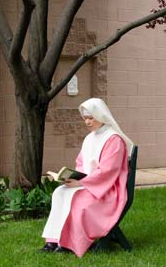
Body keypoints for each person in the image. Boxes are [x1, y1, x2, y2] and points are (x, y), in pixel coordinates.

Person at [40, 98, 134, 257]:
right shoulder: (90, 138)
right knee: (60, 193)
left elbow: (108, 171)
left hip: (108, 190)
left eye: (91, 118)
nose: (88, 122)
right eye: (85, 119)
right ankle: (53, 240)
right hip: (89, 183)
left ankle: (69, 243)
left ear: (101, 116)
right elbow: (81, 163)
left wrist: (81, 182)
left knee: (79, 202)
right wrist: (72, 178)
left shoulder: (114, 140)